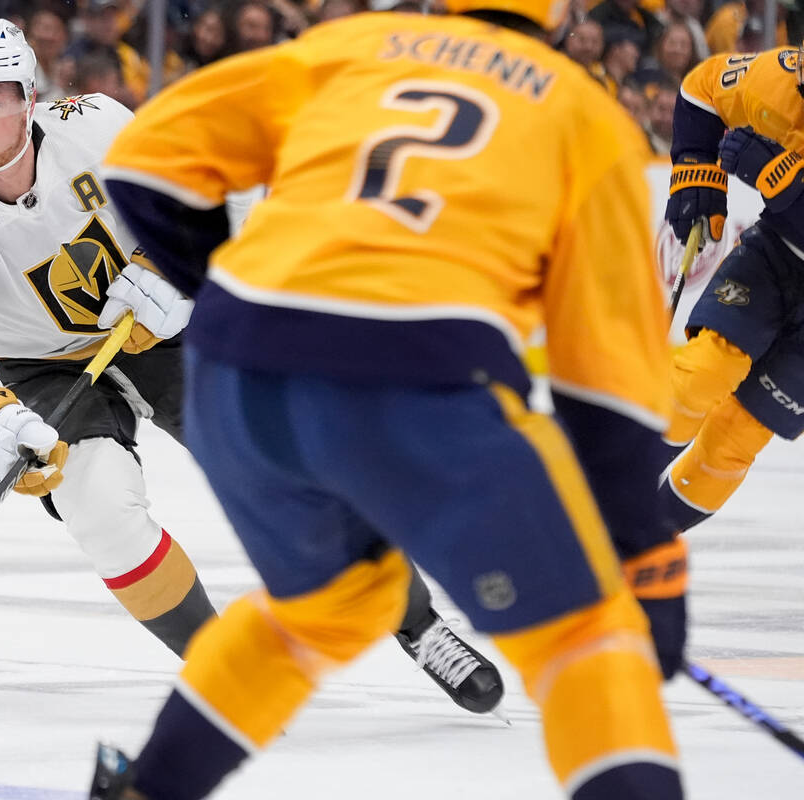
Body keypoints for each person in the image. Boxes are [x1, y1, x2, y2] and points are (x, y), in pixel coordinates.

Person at [92, 0, 688, 796]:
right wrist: (645, 560)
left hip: (236, 374)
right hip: (419, 373)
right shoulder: (586, 113)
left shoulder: (348, 45)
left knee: (327, 608)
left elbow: (142, 159)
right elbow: (606, 382)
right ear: (560, 16)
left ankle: (149, 790)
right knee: (586, 635)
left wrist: (232, 290)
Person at [0, 17, 506, 713]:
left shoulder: (96, 125)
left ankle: (419, 627)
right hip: (39, 368)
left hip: (164, 326)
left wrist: (176, 265)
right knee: (100, 509)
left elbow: (212, 185)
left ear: (30, 97)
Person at [659, 45, 804, 534]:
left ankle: (637, 542)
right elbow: (702, 90)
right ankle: (604, 491)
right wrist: (695, 171)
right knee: (699, 375)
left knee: (733, 438)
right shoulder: (776, 81)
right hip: (778, 255)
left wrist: (787, 183)